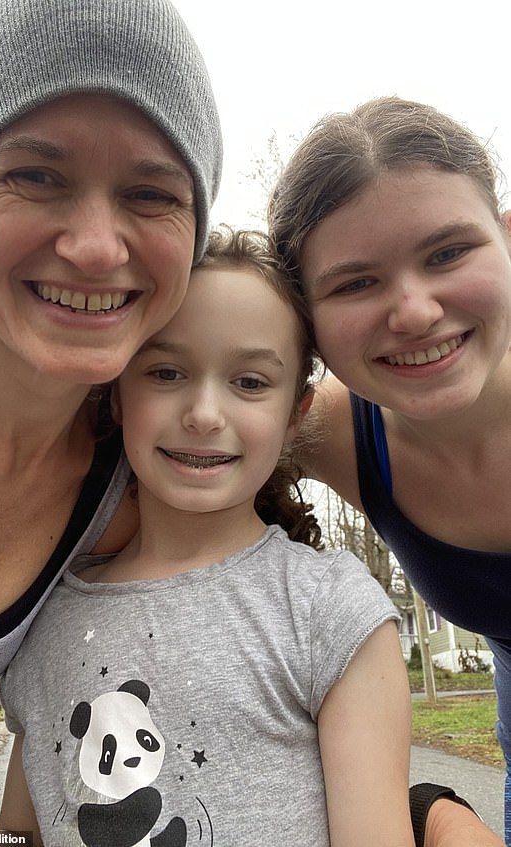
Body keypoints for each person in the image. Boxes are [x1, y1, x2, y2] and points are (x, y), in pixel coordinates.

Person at [0, 0, 221, 840]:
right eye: (36, 175)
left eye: (151, 192)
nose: (99, 247)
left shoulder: (133, 480)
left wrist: (430, 806)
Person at [0, 228, 415, 847]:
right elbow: (17, 834)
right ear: (116, 393)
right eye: (166, 372)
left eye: (249, 382)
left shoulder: (328, 609)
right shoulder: (45, 611)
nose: (204, 413)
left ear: (295, 414)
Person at [268, 95, 511, 846]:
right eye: (356, 283)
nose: (412, 309)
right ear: (306, 319)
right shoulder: (329, 429)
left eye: (447, 253)